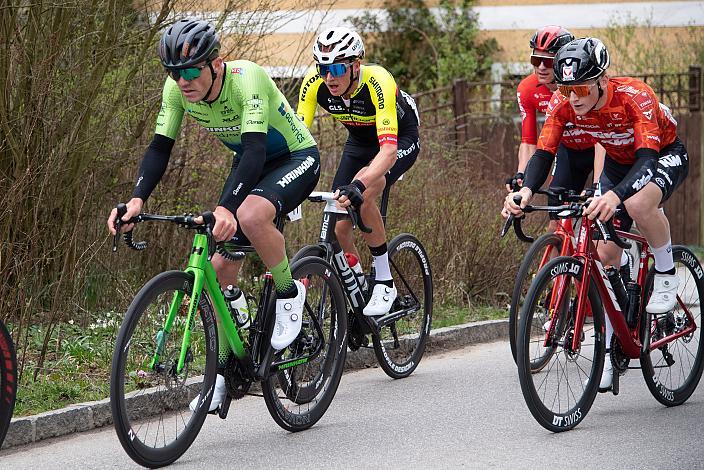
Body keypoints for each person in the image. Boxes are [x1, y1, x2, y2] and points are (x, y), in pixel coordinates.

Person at [107, 19, 321, 411]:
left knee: (252, 216)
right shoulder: (177, 91)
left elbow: (256, 149)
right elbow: (159, 148)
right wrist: (137, 200)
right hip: (248, 164)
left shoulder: (247, 78)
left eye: (190, 70)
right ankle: (223, 371)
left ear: (216, 64)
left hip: (294, 157)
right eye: (173, 72)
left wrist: (227, 207)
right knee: (220, 266)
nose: (182, 80)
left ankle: (291, 293)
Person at [503, 37, 689, 391]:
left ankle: (665, 271)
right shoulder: (563, 102)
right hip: (619, 165)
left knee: (636, 204)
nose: (573, 97)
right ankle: (616, 336)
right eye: (566, 89)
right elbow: (544, 153)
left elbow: (647, 161)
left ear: (602, 80)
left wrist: (616, 197)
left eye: (582, 89)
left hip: (661, 154)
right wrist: (525, 190)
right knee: (604, 253)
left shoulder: (635, 96)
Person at [297, 27, 421, 316]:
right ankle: (357, 284)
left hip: (399, 140)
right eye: (323, 68)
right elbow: (298, 136)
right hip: (358, 141)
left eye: (338, 68)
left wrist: (361, 184)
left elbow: (388, 152)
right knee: (340, 223)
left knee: (361, 195)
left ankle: (385, 282)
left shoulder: (378, 80)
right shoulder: (314, 84)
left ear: (355, 65)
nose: (330, 77)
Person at [507, 26, 605, 227]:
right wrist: (522, 178)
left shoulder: (584, 85)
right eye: (536, 60)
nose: (541, 67)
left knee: (601, 210)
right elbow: (529, 141)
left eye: (548, 61)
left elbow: (601, 139)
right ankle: (562, 258)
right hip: (568, 151)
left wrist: (597, 185)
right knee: (556, 223)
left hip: (600, 147)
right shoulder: (527, 89)